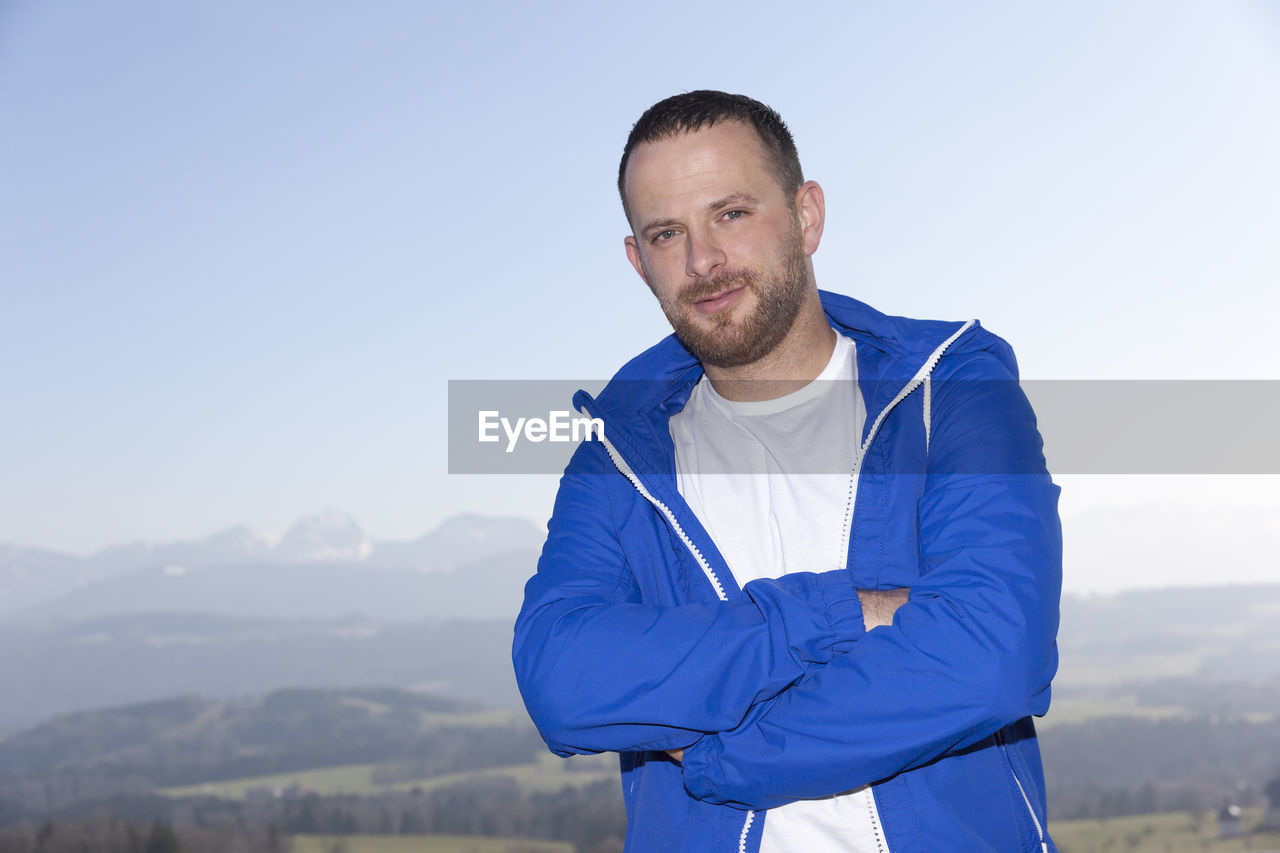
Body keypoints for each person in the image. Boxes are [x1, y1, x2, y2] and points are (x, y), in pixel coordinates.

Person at [512, 90, 1062, 852]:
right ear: (639, 262)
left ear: (807, 216)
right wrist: (843, 614)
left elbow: (995, 654)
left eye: (731, 213)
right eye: (667, 233)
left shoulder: (952, 392)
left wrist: (721, 751)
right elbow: (562, 679)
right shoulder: (615, 460)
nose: (703, 261)